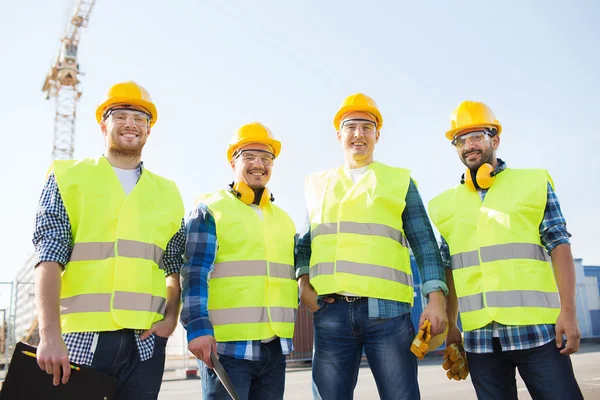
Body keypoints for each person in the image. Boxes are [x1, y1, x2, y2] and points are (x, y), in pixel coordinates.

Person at [32, 81, 185, 399]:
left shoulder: (167, 193)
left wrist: (170, 318)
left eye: (140, 117)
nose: (131, 123)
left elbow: (173, 265)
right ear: (103, 125)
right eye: (121, 115)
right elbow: (49, 255)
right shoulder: (69, 177)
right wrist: (48, 334)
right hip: (81, 338)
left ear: (149, 130)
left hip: (145, 346)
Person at [295, 93, 448, 400]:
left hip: (388, 314)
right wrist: (303, 283)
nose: (359, 134)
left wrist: (436, 300)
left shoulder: (399, 181)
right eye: (351, 126)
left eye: (367, 127)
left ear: (378, 134)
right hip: (332, 311)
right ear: (339, 135)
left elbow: (425, 245)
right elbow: (304, 243)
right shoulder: (317, 184)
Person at [428, 100, 583, 399]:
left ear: (495, 139)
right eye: (461, 139)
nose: (469, 145)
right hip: (480, 340)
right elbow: (451, 269)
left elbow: (559, 245)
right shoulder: (445, 205)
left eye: (476, 136)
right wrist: (451, 327)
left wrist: (569, 312)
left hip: (538, 333)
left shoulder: (533, 183)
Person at [180, 122, 297, 400]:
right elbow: (194, 272)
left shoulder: (284, 220)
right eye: (249, 156)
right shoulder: (210, 209)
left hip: (273, 349)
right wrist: (197, 328)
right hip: (226, 351)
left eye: (266, 158)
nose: (259, 164)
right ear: (233, 161)